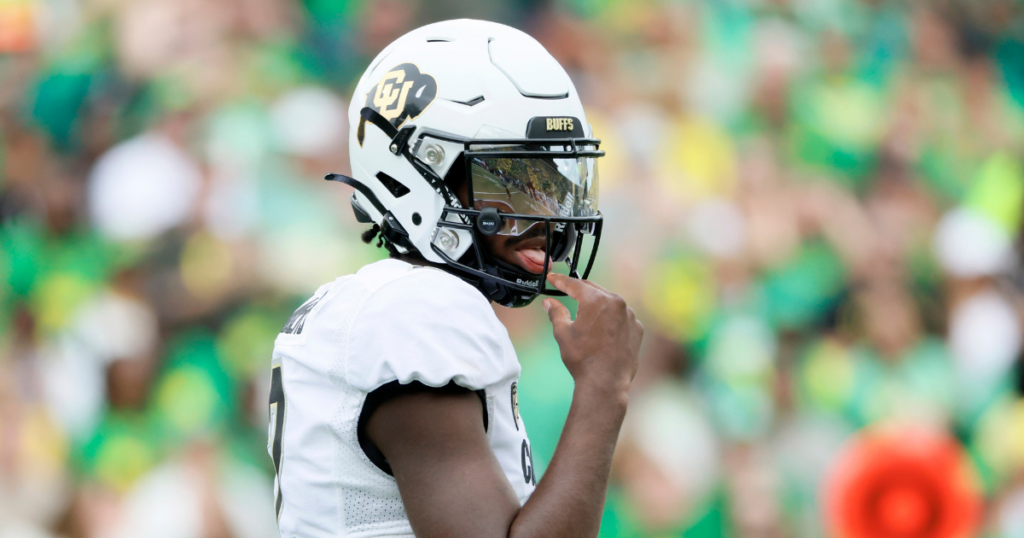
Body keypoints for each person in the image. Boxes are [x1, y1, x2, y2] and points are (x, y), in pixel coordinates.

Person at [268, 19, 644, 538]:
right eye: (512, 182)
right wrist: (604, 388)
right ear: (422, 173)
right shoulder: (417, 312)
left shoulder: (382, 302)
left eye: (554, 186)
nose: (546, 217)